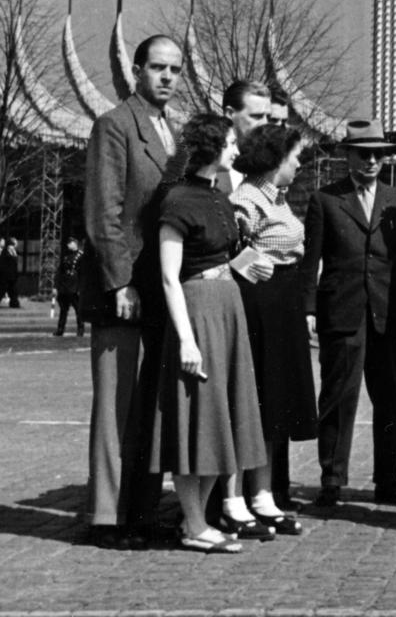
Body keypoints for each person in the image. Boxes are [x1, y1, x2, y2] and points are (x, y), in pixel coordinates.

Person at [77, 35, 183, 547]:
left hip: (158, 288)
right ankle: (105, 518)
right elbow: (104, 213)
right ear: (136, 70)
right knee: (117, 402)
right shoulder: (115, 125)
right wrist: (119, 280)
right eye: (158, 68)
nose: (167, 77)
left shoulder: (172, 132)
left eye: (175, 70)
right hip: (121, 287)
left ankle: (139, 511)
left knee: (148, 406)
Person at [149, 113, 267, 553]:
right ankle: (195, 523)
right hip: (198, 314)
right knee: (196, 419)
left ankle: (194, 521)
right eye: (231, 143)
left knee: (226, 418)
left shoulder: (220, 195)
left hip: (228, 309)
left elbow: (222, 256)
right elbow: (169, 277)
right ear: (211, 147)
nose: (236, 150)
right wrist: (185, 339)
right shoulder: (178, 199)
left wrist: (251, 265)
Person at [299, 120, 396, 512]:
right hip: (342, 313)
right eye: (362, 153)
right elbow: (311, 259)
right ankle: (331, 480)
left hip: (387, 315)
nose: (370, 161)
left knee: (389, 401)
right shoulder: (325, 200)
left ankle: (389, 481)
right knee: (337, 397)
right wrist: (310, 309)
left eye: (377, 154)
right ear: (347, 155)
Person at [229, 122, 318, 535]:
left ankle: (263, 495)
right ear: (275, 159)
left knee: (275, 400)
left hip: (283, 305)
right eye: (294, 156)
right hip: (258, 305)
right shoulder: (247, 196)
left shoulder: (277, 198)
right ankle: (238, 498)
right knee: (257, 398)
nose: (299, 164)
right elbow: (224, 248)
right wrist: (248, 264)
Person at [55, 238, 85, 337]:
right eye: (67, 243)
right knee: (63, 309)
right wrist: (56, 286)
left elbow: (83, 273)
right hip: (64, 286)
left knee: (78, 309)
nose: (68, 245)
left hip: (74, 285)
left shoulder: (81, 255)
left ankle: (80, 329)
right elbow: (60, 272)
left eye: (70, 243)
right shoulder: (66, 256)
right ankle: (60, 329)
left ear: (75, 243)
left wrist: (80, 288)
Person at [0, 238, 20, 307]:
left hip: (13, 275)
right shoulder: (5, 252)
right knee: (2, 290)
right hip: (6, 276)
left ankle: (14, 303)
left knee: (14, 290)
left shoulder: (14, 252)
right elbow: (2, 264)